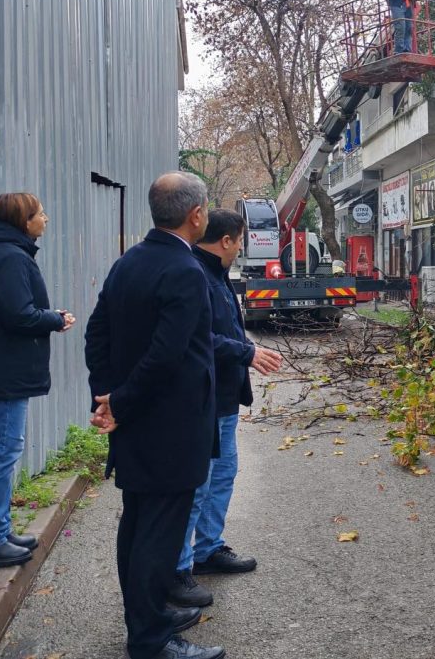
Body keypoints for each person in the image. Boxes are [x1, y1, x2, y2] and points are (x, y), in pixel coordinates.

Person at [85, 172, 224, 659]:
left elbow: (96, 332)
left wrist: (106, 396)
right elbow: (167, 356)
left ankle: (149, 617)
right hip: (169, 426)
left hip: (137, 422)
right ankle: (149, 640)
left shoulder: (129, 262)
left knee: (139, 525)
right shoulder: (184, 271)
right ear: (196, 215)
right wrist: (116, 404)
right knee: (157, 536)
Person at [169, 209, 282, 609]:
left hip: (224, 399)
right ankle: (179, 569)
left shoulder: (215, 273)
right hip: (204, 399)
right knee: (198, 485)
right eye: (240, 240)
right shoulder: (195, 275)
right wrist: (247, 352)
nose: (241, 247)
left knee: (222, 476)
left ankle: (207, 550)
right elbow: (199, 339)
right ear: (228, 240)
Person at [0, 193, 75, 567]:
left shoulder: (4, 251)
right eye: (41, 213)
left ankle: (0, 527)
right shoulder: (9, 257)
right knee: (2, 454)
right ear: (25, 221)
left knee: (2, 452)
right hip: (4, 374)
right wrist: (55, 319)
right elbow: (18, 316)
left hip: (3, 370)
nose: (47, 218)